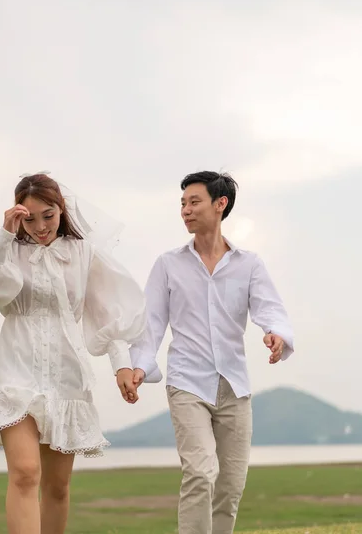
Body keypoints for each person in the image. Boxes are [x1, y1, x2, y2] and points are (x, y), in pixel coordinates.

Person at [0, 172, 145, 534]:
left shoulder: (84, 253)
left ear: (62, 210)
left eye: (48, 215)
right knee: (25, 473)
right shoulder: (7, 252)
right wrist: (3, 236)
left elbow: (106, 311)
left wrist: (121, 364)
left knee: (57, 487)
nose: (40, 226)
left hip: (66, 374)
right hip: (14, 370)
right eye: (29, 218)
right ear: (17, 215)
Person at [130, 171, 294, 534]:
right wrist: (141, 366)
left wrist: (275, 334)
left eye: (194, 202)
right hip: (187, 382)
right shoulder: (168, 264)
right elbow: (151, 321)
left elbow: (270, 308)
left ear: (220, 205)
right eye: (183, 204)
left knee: (230, 486)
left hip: (234, 386)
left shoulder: (248, 263)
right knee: (201, 472)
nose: (186, 210)